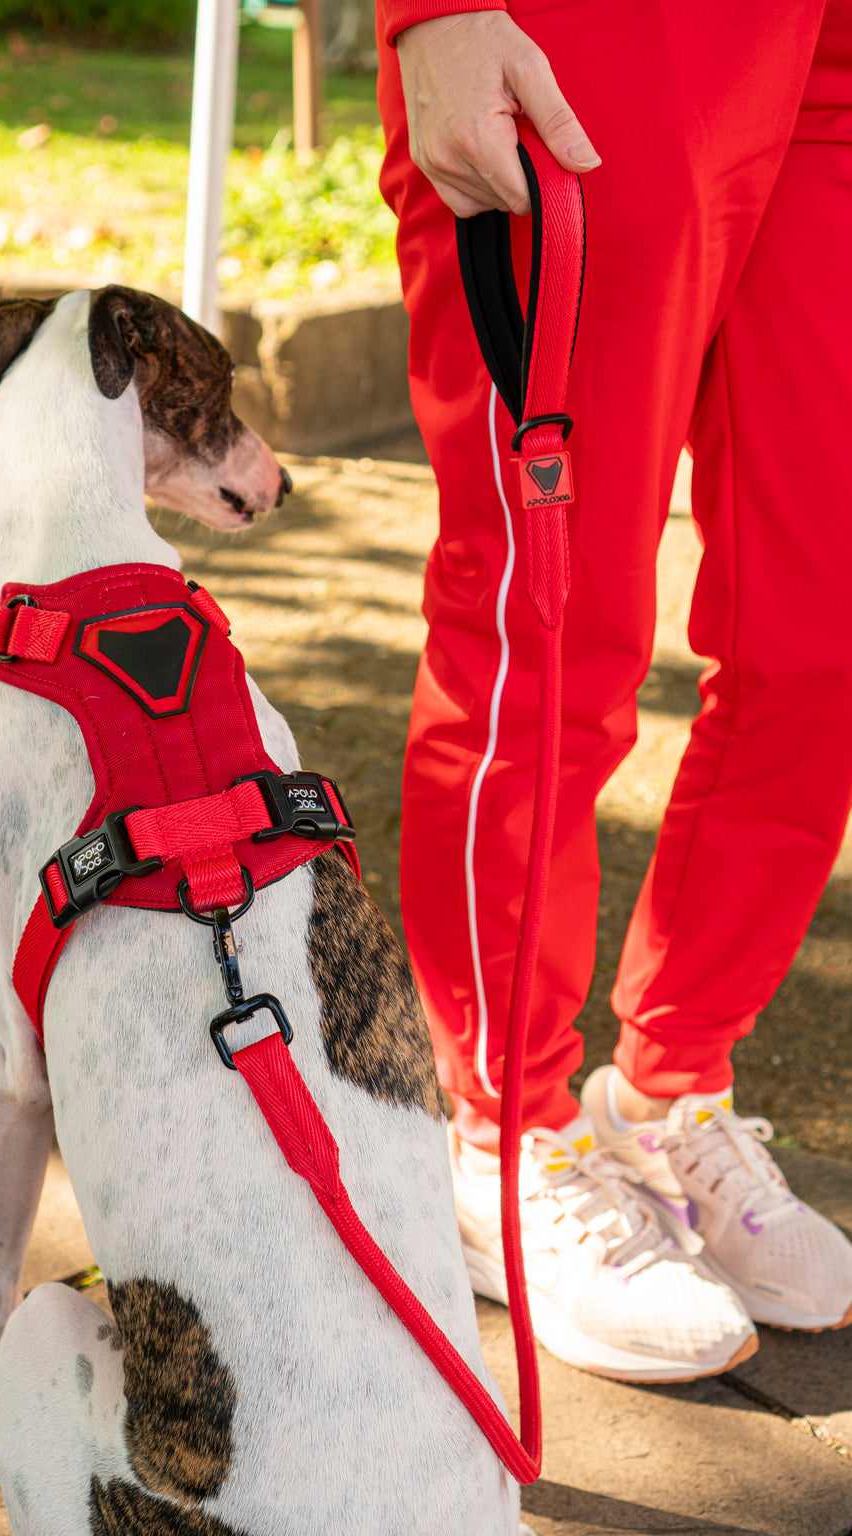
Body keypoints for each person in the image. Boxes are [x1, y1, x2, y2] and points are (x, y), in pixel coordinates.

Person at [375, 0, 852, 1379]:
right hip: (594, 41)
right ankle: (500, 1132)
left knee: (821, 630)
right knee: (551, 620)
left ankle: (669, 1087)